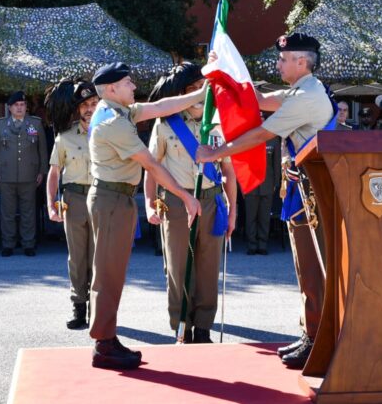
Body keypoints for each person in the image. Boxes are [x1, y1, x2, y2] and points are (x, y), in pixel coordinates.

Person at [197, 32, 334, 369]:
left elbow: (261, 133)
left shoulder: (307, 96)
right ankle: (312, 333)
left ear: (301, 62)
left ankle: (321, 339)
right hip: (304, 192)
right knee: (307, 269)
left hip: (315, 195)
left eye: (284, 59)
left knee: (316, 268)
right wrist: (223, 73)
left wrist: (217, 151)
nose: (279, 63)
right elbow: (257, 100)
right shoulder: (302, 90)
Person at [87, 62, 202, 370]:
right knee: (108, 272)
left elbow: (162, 105)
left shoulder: (117, 110)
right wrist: (185, 196)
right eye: (128, 83)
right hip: (112, 199)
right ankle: (104, 344)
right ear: (112, 89)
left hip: (116, 198)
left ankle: (107, 338)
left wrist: (201, 92)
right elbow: (151, 164)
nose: (134, 87)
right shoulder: (114, 122)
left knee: (112, 271)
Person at [143, 62, 237, 344]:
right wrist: (149, 203)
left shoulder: (219, 124)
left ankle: (205, 328)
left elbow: (229, 172)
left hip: (211, 199)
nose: (200, 95)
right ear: (182, 94)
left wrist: (232, 211)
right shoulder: (165, 124)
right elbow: (151, 167)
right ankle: (182, 326)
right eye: (193, 90)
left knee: (208, 267)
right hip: (176, 201)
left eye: (203, 89)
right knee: (178, 266)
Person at [45, 79, 98, 330]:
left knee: (99, 256)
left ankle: (99, 309)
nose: (89, 108)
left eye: (94, 103)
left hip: (102, 198)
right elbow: (54, 173)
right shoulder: (64, 138)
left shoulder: (109, 134)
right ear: (78, 109)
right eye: (85, 104)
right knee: (77, 256)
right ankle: (79, 307)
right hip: (74, 198)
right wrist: (51, 202)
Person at [0, 91, 48, 257]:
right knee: (7, 212)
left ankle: (28, 243)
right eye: (16, 105)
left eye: (22, 105)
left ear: (26, 107)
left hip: (29, 174)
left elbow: (42, 150)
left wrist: (42, 171)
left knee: (28, 211)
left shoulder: (35, 124)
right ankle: (8, 244)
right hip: (6, 175)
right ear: (9, 108)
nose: (20, 108)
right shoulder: (0, 125)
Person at [244, 135, 281, 255]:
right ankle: (251, 245)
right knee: (251, 217)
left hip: (267, 183)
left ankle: (263, 245)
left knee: (264, 217)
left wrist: (276, 183)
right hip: (250, 183)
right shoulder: (247, 137)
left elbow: (276, 162)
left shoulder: (273, 139)